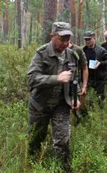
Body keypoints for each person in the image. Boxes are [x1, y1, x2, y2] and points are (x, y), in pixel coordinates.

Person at [27, 22, 81, 170]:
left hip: (61, 104)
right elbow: (31, 78)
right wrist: (56, 78)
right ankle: (33, 166)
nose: (65, 43)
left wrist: (75, 98)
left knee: (63, 140)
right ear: (52, 36)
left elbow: (75, 79)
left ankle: (63, 168)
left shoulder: (72, 55)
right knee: (35, 139)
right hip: (40, 105)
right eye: (62, 39)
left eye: (68, 39)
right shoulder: (41, 53)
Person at [82, 31, 107, 101]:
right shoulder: (83, 50)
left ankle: (101, 111)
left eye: (89, 39)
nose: (87, 41)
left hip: (99, 79)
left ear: (94, 38)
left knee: (100, 99)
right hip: (88, 79)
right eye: (86, 39)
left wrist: (100, 63)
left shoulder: (101, 50)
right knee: (88, 98)